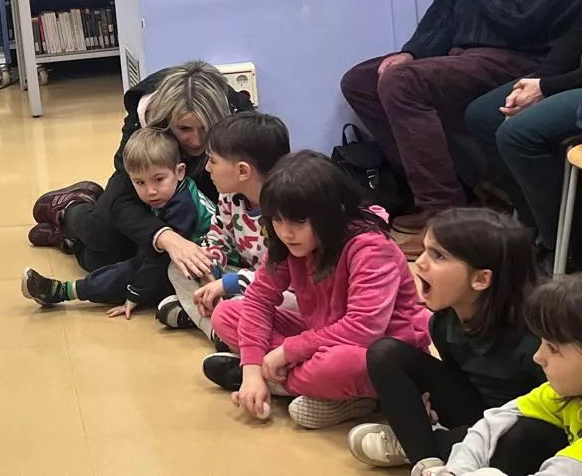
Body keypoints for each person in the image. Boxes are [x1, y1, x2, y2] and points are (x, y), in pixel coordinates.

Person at [340, 0, 582, 251]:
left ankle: (446, 219)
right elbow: (450, 7)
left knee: (404, 84)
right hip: (473, 55)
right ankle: (442, 196)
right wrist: (414, 51)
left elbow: (522, 20)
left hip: (526, 56)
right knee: (364, 81)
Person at [207, 151, 431, 430]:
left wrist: (287, 352)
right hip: (324, 338)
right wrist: (252, 369)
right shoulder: (287, 242)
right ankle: (306, 388)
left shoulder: (370, 248)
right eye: (276, 220)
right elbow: (259, 299)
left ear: (330, 212)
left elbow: (363, 329)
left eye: (298, 222)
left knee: (344, 364)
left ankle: (283, 385)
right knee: (227, 313)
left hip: (380, 350)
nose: (286, 233)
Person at [350, 209, 544, 471]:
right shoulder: (443, 321)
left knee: (517, 441)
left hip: (525, 423)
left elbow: (559, 409)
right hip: (477, 412)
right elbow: (457, 379)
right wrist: (427, 400)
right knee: (385, 353)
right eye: (425, 250)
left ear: (481, 279)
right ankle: (426, 461)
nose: (419, 263)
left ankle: (419, 441)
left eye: (438, 255)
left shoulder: (535, 333)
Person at [30, 61, 251, 283]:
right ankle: (70, 207)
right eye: (184, 129)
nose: (196, 141)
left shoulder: (241, 121)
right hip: (146, 184)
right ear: (164, 121)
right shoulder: (142, 121)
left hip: (202, 194)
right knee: (99, 235)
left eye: (206, 128)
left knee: (105, 263)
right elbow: (124, 195)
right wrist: (168, 238)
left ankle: (66, 239)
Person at [21, 128, 213, 317]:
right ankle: (68, 220)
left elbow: (157, 262)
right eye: (140, 183)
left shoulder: (183, 207)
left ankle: (65, 287)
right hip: (173, 255)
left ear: (179, 172)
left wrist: (134, 294)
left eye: (159, 179)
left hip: (206, 263)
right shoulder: (171, 192)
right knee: (113, 252)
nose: (151, 191)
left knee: (129, 270)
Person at [421, 275, 582, 476]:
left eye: (552, 348)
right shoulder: (560, 394)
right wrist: (455, 471)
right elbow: (494, 421)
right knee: (517, 432)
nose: (538, 357)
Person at [157, 111, 290, 340]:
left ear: (242, 171)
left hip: (283, 289)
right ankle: (219, 333)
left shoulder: (288, 206)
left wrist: (225, 285)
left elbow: (283, 277)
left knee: (250, 304)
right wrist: (210, 270)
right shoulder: (229, 196)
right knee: (181, 266)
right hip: (247, 278)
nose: (207, 168)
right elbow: (218, 237)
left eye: (213, 160)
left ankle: (222, 325)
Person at [465, 13, 582, 270]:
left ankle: (566, 245)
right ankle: (531, 224)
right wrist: (536, 82)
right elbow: (574, 37)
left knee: (517, 135)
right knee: (483, 116)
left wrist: (547, 87)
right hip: (571, 75)